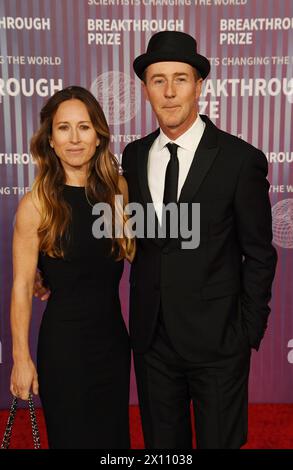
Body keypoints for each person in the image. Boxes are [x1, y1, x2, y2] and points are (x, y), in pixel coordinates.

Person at [121, 31, 277, 449]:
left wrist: (247, 330)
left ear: (200, 85)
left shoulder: (240, 159)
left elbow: (260, 253)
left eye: (181, 79)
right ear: (145, 88)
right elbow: (125, 234)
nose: (169, 92)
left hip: (219, 342)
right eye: (158, 80)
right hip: (152, 339)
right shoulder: (132, 156)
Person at [10, 86, 135, 449]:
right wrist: (21, 358)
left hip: (113, 346)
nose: (75, 138)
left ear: (98, 137)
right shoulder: (37, 204)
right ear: (50, 140)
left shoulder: (117, 191)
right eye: (64, 128)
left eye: (84, 127)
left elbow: (137, 254)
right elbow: (21, 285)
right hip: (63, 350)